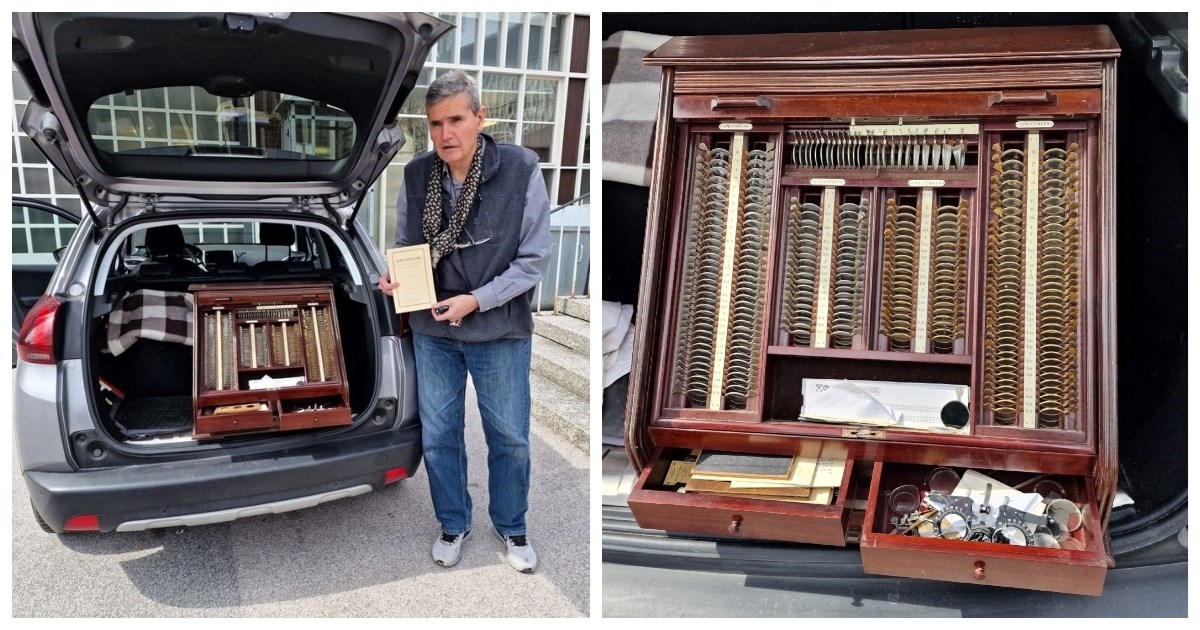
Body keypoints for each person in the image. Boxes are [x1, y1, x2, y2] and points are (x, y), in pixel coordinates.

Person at [378, 70, 551, 573]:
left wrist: (476, 300)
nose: (444, 134)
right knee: (439, 435)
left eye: (455, 120)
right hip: (434, 330)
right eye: (435, 124)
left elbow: (533, 261)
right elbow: (410, 246)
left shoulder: (521, 168)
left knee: (510, 436)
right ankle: (453, 522)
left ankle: (512, 525)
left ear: (480, 118)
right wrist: (397, 278)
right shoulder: (417, 174)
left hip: (499, 328)